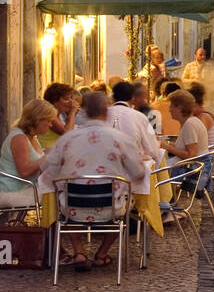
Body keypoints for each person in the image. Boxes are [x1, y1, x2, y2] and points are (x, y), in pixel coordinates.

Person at [42, 91, 146, 269]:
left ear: (84, 112)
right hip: (110, 209)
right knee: (126, 203)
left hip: (73, 209)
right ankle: (101, 253)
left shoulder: (68, 138)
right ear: (107, 111)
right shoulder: (120, 139)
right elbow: (138, 173)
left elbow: (48, 170)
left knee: (65, 195)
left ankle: (79, 251)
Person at [0, 98, 57, 209]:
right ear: (37, 119)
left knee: (59, 190)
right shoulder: (19, 138)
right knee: (58, 194)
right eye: (48, 121)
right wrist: (46, 158)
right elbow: (24, 172)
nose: (51, 125)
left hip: (25, 188)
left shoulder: (31, 137)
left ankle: (53, 225)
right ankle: (56, 225)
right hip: (12, 193)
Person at [108, 80, 164, 199]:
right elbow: (152, 151)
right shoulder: (139, 117)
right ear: (132, 98)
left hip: (105, 174)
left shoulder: (103, 114)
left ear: (112, 98)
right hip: (130, 176)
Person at [161, 89, 209, 167]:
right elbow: (185, 147)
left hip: (192, 173)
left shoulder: (189, 124)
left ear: (180, 108)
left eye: (171, 106)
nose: (169, 110)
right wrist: (166, 144)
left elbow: (191, 155)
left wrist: (167, 147)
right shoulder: (191, 121)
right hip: (195, 169)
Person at [40, 82, 80, 148]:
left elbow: (68, 127)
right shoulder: (50, 116)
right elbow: (67, 133)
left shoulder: (59, 115)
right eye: (66, 99)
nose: (71, 102)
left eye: (70, 98)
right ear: (55, 101)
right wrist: (72, 113)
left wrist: (72, 114)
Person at [189, 81, 214, 150]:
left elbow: (194, 142)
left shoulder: (203, 117)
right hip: (207, 155)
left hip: (208, 158)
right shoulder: (203, 115)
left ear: (194, 104)